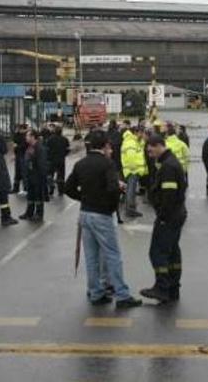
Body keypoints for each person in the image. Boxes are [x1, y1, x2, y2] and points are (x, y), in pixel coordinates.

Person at [65, 130, 143, 308]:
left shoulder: (81, 164)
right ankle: (122, 295)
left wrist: (83, 198)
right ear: (105, 145)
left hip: (85, 214)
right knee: (112, 255)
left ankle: (96, 292)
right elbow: (112, 189)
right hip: (102, 214)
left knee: (91, 257)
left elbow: (68, 188)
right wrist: (111, 205)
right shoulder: (107, 164)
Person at [140, 134, 187, 303]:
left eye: (150, 148)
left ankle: (162, 288)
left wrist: (162, 216)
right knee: (172, 252)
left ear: (159, 145)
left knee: (158, 251)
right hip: (176, 214)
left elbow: (169, 195)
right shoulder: (170, 163)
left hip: (169, 216)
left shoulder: (168, 167)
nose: (148, 151)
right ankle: (173, 287)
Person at [21, 129, 48, 222]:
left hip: (37, 176)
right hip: (30, 175)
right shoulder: (30, 147)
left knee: (38, 196)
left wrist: (42, 177)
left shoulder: (39, 148)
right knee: (30, 195)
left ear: (33, 137)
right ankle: (29, 212)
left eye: (27, 136)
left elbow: (42, 164)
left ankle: (39, 214)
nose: (26, 138)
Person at [120, 125, 146, 218]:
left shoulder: (133, 141)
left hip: (132, 170)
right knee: (131, 190)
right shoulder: (131, 142)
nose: (143, 135)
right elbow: (131, 158)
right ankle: (130, 210)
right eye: (141, 132)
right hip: (133, 171)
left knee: (131, 190)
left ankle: (130, 208)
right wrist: (135, 169)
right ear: (136, 132)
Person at [45, 126, 70, 197]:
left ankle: (51, 188)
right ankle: (61, 191)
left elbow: (47, 149)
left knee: (50, 175)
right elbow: (68, 149)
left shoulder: (50, 139)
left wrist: (48, 157)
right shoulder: (65, 139)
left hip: (51, 160)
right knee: (61, 175)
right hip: (61, 160)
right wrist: (64, 154)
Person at [11, 124, 29, 194]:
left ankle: (26, 188)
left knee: (24, 172)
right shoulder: (17, 135)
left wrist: (17, 146)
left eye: (20, 129)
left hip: (24, 155)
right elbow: (14, 141)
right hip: (18, 155)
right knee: (17, 172)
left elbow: (24, 146)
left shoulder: (26, 136)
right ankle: (16, 188)